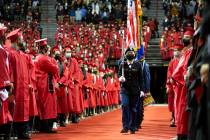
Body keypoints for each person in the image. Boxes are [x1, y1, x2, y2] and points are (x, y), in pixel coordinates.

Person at [7, 28, 32, 139]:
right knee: (15, 109)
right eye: (20, 38)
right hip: (16, 88)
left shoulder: (22, 55)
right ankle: (16, 131)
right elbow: (10, 71)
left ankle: (23, 131)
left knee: (24, 109)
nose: (22, 40)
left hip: (24, 88)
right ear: (16, 40)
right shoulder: (11, 54)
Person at [34, 38, 59, 133]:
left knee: (42, 104)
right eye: (48, 50)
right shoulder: (44, 59)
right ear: (44, 49)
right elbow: (55, 69)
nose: (49, 52)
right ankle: (47, 127)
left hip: (40, 83)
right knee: (47, 105)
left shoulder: (37, 57)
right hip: (45, 84)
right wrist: (54, 62)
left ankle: (42, 126)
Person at [118, 47, 144, 134]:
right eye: (128, 52)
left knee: (133, 108)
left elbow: (141, 79)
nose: (130, 53)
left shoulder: (138, 65)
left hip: (135, 90)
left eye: (132, 52)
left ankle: (133, 126)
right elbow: (118, 75)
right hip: (124, 89)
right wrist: (120, 78)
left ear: (134, 54)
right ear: (125, 55)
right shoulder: (122, 64)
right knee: (125, 106)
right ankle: (125, 126)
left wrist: (142, 90)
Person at [166, 44, 183, 127]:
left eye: (177, 50)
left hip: (181, 85)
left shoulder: (183, 60)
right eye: (174, 50)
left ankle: (180, 119)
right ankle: (174, 118)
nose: (175, 52)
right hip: (173, 85)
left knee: (181, 103)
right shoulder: (172, 62)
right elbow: (169, 73)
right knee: (173, 102)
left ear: (181, 51)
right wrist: (168, 85)